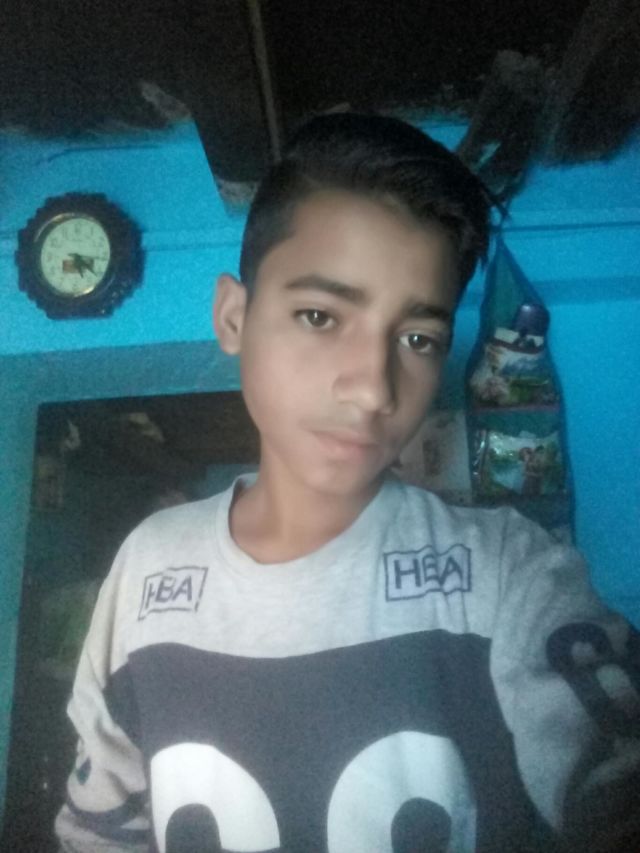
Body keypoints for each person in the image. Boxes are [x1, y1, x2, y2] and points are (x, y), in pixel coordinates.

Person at [55, 113, 639, 852]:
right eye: (320, 315)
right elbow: (98, 832)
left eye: (417, 338)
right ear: (233, 317)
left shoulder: (506, 573)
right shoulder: (147, 566)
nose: (373, 387)